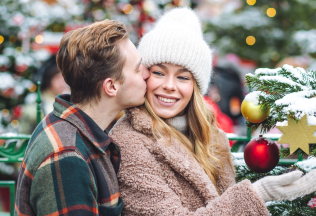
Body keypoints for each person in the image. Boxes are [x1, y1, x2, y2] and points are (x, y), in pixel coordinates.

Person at [109, 8, 316, 215]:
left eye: (183, 77)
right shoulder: (128, 141)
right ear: (144, 74)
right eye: (159, 73)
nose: (170, 85)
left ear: (195, 87)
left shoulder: (213, 136)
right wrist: (259, 193)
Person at [15, 19, 149, 215]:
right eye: (138, 69)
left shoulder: (75, 131)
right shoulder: (67, 158)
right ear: (111, 86)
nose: (147, 74)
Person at [20, 55, 68, 134]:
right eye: (57, 78)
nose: (62, 83)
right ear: (48, 79)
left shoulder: (67, 101)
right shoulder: (34, 106)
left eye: (64, 78)